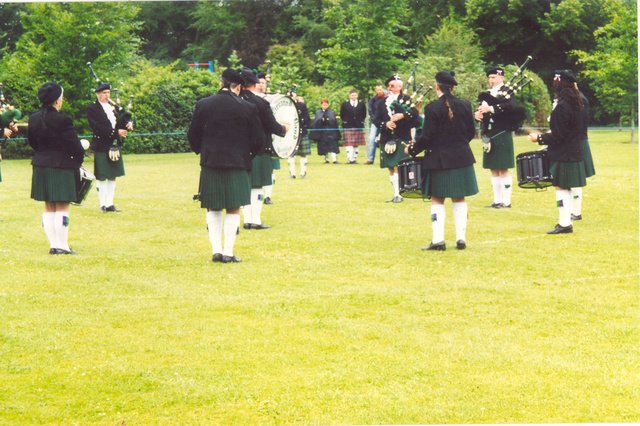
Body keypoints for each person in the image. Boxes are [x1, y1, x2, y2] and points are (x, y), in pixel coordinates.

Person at [187, 69, 265, 263]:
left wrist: (203, 152)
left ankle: (216, 250)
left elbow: (192, 136)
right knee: (233, 207)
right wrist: (247, 155)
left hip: (210, 162)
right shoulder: (248, 108)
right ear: (238, 87)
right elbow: (259, 139)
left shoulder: (203, 104)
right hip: (238, 163)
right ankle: (228, 253)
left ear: (221, 84)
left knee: (212, 207)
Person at [406, 71, 478, 251]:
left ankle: (438, 241)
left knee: (437, 198)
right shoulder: (465, 105)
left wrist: (412, 149)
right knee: (459, 197)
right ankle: (461, 239)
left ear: (437, 87)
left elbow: (427, 136)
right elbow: (470, 133)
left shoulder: (432, 108)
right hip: (462, 157)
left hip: (438, 159)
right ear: (452, 88)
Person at [28, 82, 87, 254]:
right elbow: (75, 145)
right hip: (61, 165)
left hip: (40, 164)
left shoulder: (33, 118)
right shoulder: (63, 119)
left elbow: (32, 142)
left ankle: (54, 245)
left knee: (49, 206)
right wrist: (78, 160)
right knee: (62, 207)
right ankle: (62, 246)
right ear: (57, 100)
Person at [527, 70, 586, 234]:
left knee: (561, 188)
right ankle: (565, 221)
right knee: (566, 188)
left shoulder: (561, 107)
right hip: (574, 151)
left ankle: (565, 223)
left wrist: (539, 138)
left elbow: (559, 135)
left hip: (564, 154)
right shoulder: (577, 105)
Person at [239, 67, 288, 229]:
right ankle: (256, 220)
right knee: (257, 186)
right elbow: (272, 126)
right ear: (253, 83)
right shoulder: (260, 103)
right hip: (259, 149)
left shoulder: (235, 99)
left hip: (239, 150)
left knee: (245, 184)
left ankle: (247, 220)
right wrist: (284, 129)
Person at [474, 67, 519, 208]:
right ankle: (497, 200)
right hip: (490, 132)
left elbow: (511, 107)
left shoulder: (507, 92)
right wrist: (478, 115)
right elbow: (482, 108)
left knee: (503, 167)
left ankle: (507, 201)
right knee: (493, 167)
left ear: (501, 77)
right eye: (489, 78)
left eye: (494, 77)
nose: (491, 80)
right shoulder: (488, 93)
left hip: (502, 132)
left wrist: (491, 109)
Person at [86, 82, 133, 213]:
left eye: (108, 93)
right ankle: (102, 205)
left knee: (113, 174)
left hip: (114, 145)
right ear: (97, 94)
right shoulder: (92, 108)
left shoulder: (114, 106)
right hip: (101, 144)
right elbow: (96, 127)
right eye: (104, 93)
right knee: (102, 175)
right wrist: (116, 132)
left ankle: (110, 204)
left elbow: (124, 118)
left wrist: (129, 123)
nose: (107, 95)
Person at [373, 75, 419, 203]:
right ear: (388, 88)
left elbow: (415, 114)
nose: (396, 87)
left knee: (398, 166)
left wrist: (402, 115)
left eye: (398, 85)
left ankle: (399, 194)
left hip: (402, 136)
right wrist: (386, 124)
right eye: (392, 86)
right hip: (387, 137)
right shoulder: (381, 103)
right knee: (390, 167)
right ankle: (396, 193)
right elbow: (376, 120)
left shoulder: (407, 99)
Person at [571, 85, 596, 220]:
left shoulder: (580, 99)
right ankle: (571, 210)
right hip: (571, 141)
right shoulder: (568, 98)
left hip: (578, 141)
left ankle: (576, 211)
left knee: (576, 178)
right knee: (569, 179)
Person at [339, 89, 367, 164]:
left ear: (357, 95)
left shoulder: (361, 104)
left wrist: (360, 121)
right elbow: (342, 114)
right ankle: (349, 159)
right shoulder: (345, 104)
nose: (354, 96)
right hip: (348, 125)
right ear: (349, 96)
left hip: (358, 125)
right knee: (349, 144)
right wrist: (346, 121)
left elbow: (364, 114)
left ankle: (354, 159)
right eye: (352, 95)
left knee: (356, 144)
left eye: (355, 95)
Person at [310, 99, 341, 163]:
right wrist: (322, 120)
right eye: (323, 104)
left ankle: (334, 159)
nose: (325, 106)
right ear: (321, 105)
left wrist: (328, 120)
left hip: (331, 132)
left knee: (333, 146)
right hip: (322, 133)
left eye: (326, 104)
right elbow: (317, 121)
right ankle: (327, 159)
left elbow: (333, 121)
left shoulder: (331, 112)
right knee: (324, 147)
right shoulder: (318, 112)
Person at [288, 95, 311, 178]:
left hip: (301, 132)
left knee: (303, 154)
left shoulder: (302, 105)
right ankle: (292, 173)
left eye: (292, 96)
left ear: (296, 97)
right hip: (290, 133)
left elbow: (307, 118)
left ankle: (302, 173)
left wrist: (300, 121)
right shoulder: (286, 106)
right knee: (291, 154)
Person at [366, 84, 386, 164]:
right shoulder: (373, 99)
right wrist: (375, 120)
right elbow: (370, 110)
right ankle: (370, 159)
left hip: (385, 122)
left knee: (385, 140)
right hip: (375, 122)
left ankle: (385, 159)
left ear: (383, 89)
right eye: (377, 90)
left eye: (380, 89)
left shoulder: (387, 98)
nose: (379, 91)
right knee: (371, 139)